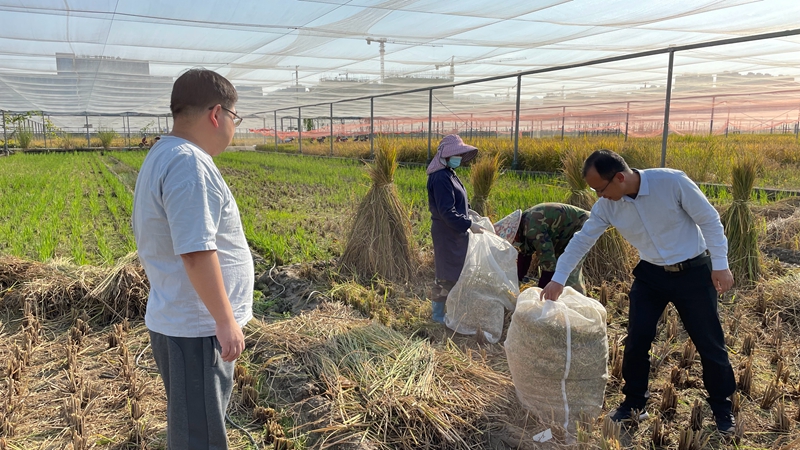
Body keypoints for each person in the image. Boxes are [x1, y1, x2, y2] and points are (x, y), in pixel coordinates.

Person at [540, 149, 736, 433]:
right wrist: (558, 279)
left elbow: (709, 220)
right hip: (651, 274)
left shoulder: (672, 183)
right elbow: (582, 240)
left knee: (710, 343)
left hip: (693, 272)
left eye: (599, 188)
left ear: (619, 177)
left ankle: (722, 408)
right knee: (636, 340)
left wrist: (721, 265)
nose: (597, 196)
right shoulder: (608, 205)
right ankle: (634, 405)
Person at [132, 68, 252, 449]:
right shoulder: (188, 163)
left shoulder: (166, 153)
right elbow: (197, 252)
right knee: (199, 438)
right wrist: (225, 319)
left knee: (195, 427)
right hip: (197, 329)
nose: (234, 127)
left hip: (187, 321)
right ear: (217, 115)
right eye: (235, 118)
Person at [426, 134, 483, 324]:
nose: (459, 157)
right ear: (445, 155)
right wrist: (468, 224)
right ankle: (438, 315)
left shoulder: (450, 173)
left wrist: (469, 214)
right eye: (456, 154)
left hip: (455, 231)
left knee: (455, 271)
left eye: (460, 154)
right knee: (446, 274)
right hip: (446, 232)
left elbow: (455, 204)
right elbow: (446, 211)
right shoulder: (440, 177)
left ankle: (451, 309)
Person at [494, 203, 590, 293]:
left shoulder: (532, 228)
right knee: (562, 268)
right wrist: (516, 282)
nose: (514, 243)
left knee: (568, 268)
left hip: (583, 226)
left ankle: (578, 304)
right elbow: (525, 256)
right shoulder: (524, 226)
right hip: (564, 235)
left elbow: (548, 261)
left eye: (513, 240)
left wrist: (541, 292)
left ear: (515, 233)